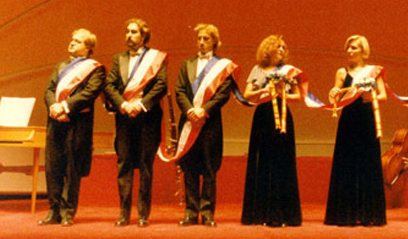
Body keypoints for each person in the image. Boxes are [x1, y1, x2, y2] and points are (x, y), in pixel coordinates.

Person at [104, 18, 168, 228]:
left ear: (144, 35)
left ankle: (143, 214)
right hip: (124, 119)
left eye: (133, 32)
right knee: (124, 165)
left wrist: (140, 105)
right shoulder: (119, 59)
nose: (129, 35)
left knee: (145, 166)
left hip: (147, 119)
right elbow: (109, 86)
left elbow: (161, 85)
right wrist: (123, 105)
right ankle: (124, 213)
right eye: (127, 31)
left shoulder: (156, 58)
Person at [39, 29, 105, 227]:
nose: (72, 43)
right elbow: (49, 90)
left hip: (77, 124)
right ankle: (53, 211)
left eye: (77, 41)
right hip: (55, 121)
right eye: (72, 39)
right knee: (53, 167)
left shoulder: (95, 69)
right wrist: (53, 106)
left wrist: (65, 107)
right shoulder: (60, 66)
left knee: (72, 168)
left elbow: (89, 93)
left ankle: (68, 212)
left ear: (88, 47)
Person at [175, 24, 235, 227]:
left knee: (209, 168)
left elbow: (223, 93)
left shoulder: (223, 67)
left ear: (214, 41)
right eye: (199, 38)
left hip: (210, 123)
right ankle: (191, 212)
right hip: (189, 123)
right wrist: (190, 111)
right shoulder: (187, 64)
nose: (201, 42)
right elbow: (179, 90)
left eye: (206, 39)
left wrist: (204, 110)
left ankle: (207, 212)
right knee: (189, 168)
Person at [324, 35, 387, 226]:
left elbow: (383, 96)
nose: (349, 51)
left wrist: (369, 96)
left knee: (368, 164)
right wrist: (333, 94)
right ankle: (346, 214)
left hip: (367, 120)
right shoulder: (341, 72)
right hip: (348, 121)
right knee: (347, 164)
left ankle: (369, 215)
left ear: (363, 51)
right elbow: (335, 98)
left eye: (353, 48)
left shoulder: (374, 71)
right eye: (348, 48)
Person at [241, 35, 302, 227]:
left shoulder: (289, 71)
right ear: (268, 50)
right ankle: (260, 214)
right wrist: (265, 90)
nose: (282, 50)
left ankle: (283, 214)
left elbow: (298, 96)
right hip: (264, 117)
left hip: (283, 117)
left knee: (282, 162)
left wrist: (283, 92)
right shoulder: (257, 69)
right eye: (278, 47)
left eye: (284, 47)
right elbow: (247, 95)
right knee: (263, 161)